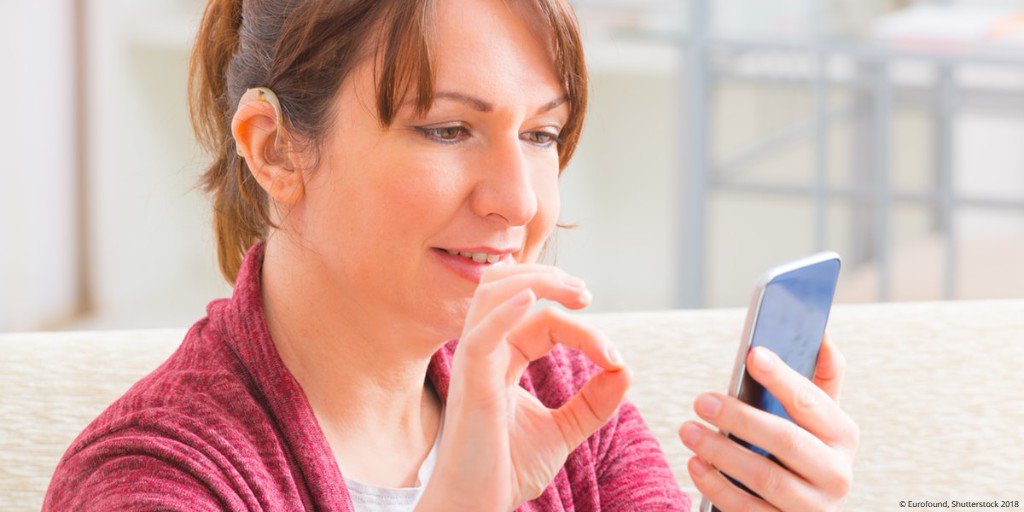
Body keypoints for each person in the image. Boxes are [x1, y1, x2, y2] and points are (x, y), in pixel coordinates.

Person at [44, 0, 859, 510]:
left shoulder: (551, 390)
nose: (521, 200)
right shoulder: (149, 481)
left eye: (541, 134)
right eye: (445, 128)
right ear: (276, 150)